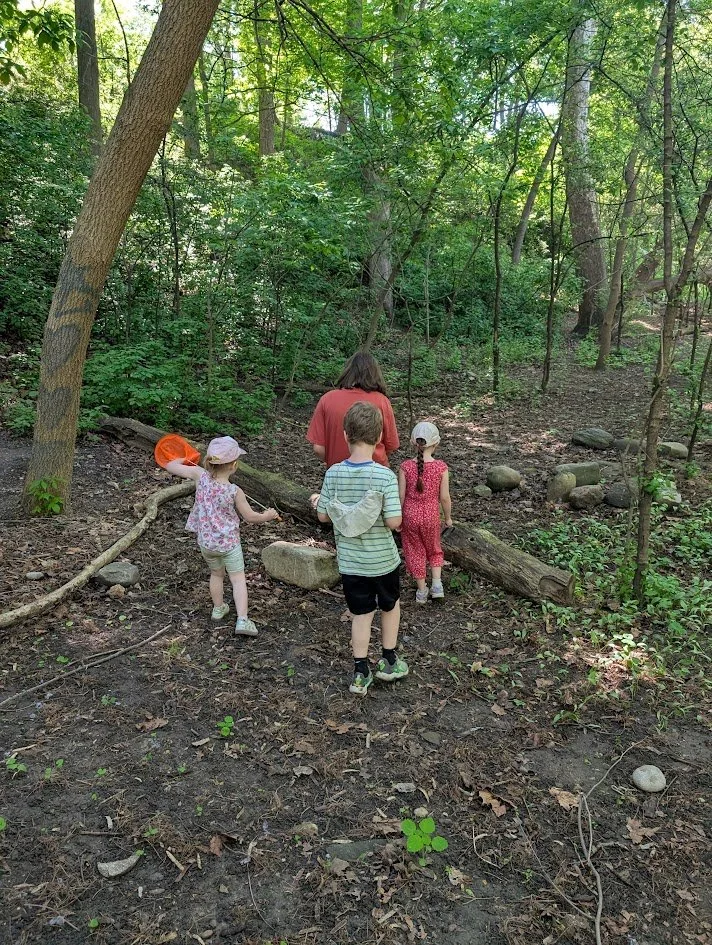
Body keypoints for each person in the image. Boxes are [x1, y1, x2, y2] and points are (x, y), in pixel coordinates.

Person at [313, 402, 409, 695]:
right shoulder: (384, 476)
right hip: (383, 562)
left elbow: (323, 516)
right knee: (390, 606)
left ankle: (360, 672)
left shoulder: (333, 473)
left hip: (351, 563)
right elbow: (393, 521)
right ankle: (389, 660)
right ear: (379, 437)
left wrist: (318, 502)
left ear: (345, 435)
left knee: (361, 614)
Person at [166, 436, 279, 636]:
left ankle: (218, 609)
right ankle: (242, 620)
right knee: (238, 579)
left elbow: (170, 466)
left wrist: (183, 458)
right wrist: (267, 516)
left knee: (216, 574)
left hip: (206, 543)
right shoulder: (235, 491)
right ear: (234, 465)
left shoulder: (199, 475)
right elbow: (251, 517)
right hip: (229, 545)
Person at [307, 352, 399, 468]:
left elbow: (318, 449)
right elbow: (391, 445)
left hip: (338, 473)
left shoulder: (327, 399)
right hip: (375, 471)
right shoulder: (382, 401)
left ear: (347, 372)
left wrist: (334, 461)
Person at [398, 421, 452, 604]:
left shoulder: (405, 467)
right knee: (434, 548)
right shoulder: (441, 467)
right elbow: (444, 497)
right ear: (436, 443)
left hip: (410, 516)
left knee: (414, 551)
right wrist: (448, 518)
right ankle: (437, 585)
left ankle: (421, 591)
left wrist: (398, 518)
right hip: (431, 515)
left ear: (413, 442)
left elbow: (401, 496)